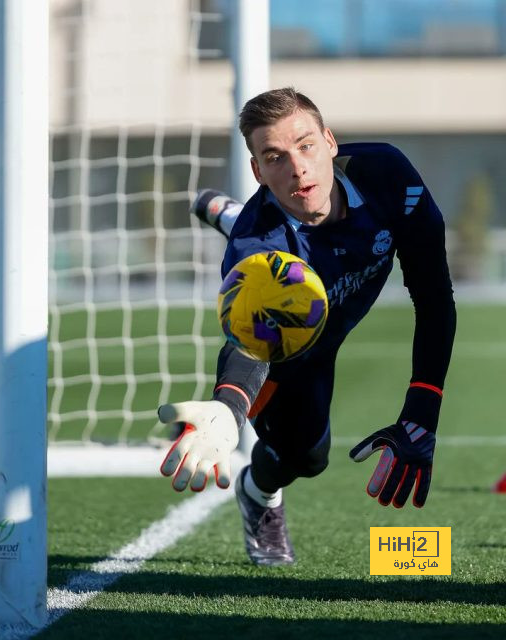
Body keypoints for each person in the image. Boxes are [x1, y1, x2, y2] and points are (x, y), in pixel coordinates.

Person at [158, 87, 456, 566]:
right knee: (306, 458)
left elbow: (435, 297)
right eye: (274, 157)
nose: (296, 168)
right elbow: (253, 345)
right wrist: (229, 407)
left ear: (331, 142)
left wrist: (423, 409)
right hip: (294, 339)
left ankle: (229, 214)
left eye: (305, 145)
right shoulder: (258, 248)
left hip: (320, 293)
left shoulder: (388, 175)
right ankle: (258, 493)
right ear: (257, 170)